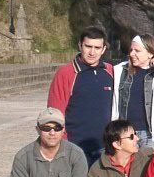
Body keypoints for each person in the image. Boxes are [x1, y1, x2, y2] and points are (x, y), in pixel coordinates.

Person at [47, 25, 115, 166]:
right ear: (80, 45)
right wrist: (61, 143)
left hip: (104, 147)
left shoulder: (110, 71)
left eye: (97, 48)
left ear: (103, 49)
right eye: (88, 46)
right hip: (75, 147)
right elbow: (55, 112)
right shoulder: (66, 73)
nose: (92, 52)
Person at [111, 33, 154, 151]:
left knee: (149, 163)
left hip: (151, 135)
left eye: (137, 51)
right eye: (131, 50)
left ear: (150, 53)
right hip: (125, 134)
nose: (132, 54)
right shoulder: (120, 69)